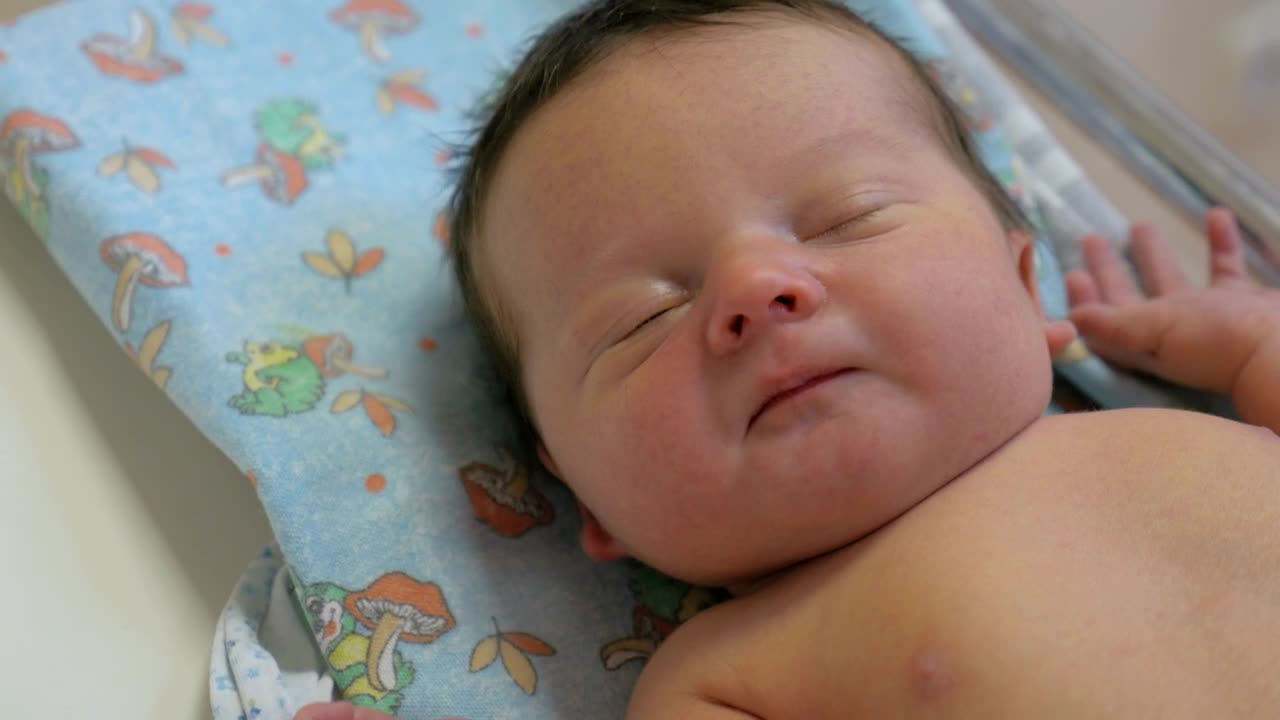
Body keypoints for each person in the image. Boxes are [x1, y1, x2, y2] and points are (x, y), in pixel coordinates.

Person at [298, 1, 1280, 717]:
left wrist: (1248, 338)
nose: (753, 290)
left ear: (1027, 289)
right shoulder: (731, 672)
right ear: (586, 497)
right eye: (642, 319)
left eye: (846, 218)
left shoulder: (1189, 420)